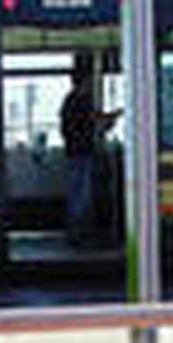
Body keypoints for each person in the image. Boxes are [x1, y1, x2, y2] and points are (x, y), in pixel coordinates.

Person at [60, 61, 114, 244]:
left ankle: (77, 232)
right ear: (83, 82)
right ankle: (78, 234)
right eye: (89, 81)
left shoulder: (70, 101)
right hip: (81, 152)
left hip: (74, 151)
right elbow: (96, 122)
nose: (90, 85)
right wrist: (109, 120)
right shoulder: (81, 101)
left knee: (78, 193)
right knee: (82, 195)